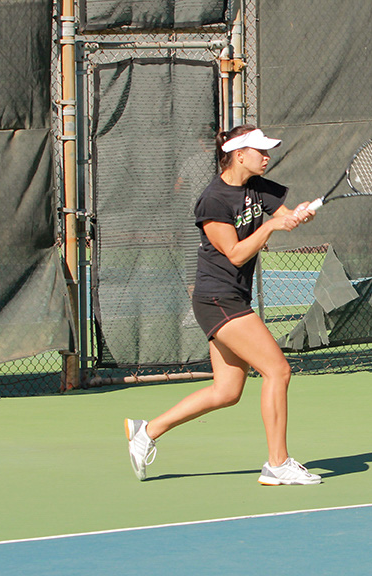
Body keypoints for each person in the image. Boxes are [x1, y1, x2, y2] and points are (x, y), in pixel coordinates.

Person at [125, 124, 322, 485]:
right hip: (217, 298)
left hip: (232, 297)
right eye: (260, 151)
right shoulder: (213, 200)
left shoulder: (256, 186)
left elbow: (284, 215)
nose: (267, 156)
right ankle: (277, 463)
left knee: (227, 391)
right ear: (238, 154)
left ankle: (147, 431)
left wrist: (298, 215)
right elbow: (234, 253)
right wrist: (271, 229)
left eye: (267, 151)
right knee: (278, 370)